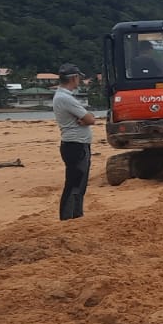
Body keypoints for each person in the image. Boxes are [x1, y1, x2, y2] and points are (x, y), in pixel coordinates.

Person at [53, 64, 97, 220]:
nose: (79, 80)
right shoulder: (65, 98)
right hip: (75, 144)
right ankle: (68, 217)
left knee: (78, 183)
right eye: (78, 77)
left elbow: (87, 118)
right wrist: (86, 119)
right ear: (73, 78)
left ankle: (76, 215)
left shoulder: (63, 96)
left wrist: (86, 119)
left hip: (75, 143)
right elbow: (90, 118)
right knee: (74, 184)